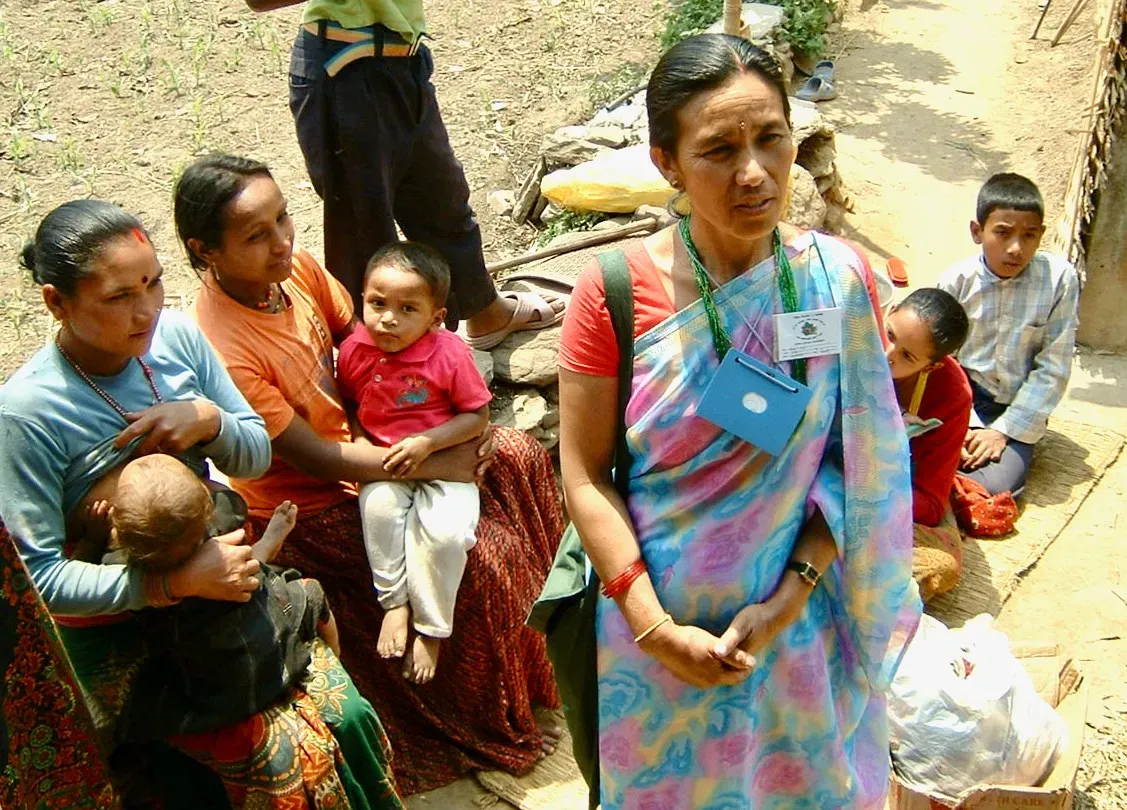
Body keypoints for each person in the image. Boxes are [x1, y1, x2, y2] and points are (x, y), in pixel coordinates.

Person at [558, 35, 920, 808]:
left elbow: (861, 468)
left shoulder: (836, 280)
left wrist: (790, 595)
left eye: (770, 139)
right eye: (718, 149)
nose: (753, 173)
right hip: (656, 640)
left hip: (796, 633)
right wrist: (655, 629)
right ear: (666, 162)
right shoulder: (615, 293)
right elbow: (584, 475)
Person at [179, 152, 565, 794]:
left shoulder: (293, 271)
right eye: (256, 235)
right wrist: (441, 459)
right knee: (482, 561)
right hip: (315, 498)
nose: (282, 242)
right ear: (205, 251)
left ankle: (536, 667)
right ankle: (482, 716)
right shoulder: (223, 343)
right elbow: (319, 458)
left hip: (381, 441)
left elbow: (362, 338)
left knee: (521, 458)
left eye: (283, 219)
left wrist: (432, 409)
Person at [0, 200, 402, 809]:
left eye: (155, 282)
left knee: (345, 716)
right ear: (57, 302)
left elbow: (252, 459)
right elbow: (43, 582)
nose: (147, 310)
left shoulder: (178, 338)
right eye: (117, 297)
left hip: (217, 573)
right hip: (124, 617)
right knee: (281, 764)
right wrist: (171, 583)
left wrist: (208, 419)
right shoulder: (27, 416)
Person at [241, 0, 566, 347]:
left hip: (402, 58)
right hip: (344, 68)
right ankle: (381, 367)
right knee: (364, 231)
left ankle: (484, 312)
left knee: (441, 200)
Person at [79, 453, 343, 740]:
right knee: (308, 591)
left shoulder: (122, 569)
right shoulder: (226, 519)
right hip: (275, 653)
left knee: (143, 694)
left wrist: (92, 539)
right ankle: (333, 655)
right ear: (207, 508)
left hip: (207, 691)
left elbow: (82, 582)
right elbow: (228, 496)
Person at [339, 242, 491, 684]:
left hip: (443, 461)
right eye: (377, 304)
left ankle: (431, 627)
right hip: (385, 464)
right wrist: (361, 439)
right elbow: (349, 402)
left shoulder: (448, 354)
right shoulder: (354, 350)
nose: (388, 318)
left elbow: (476, 415)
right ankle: (395, 604)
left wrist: (427, 443)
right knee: (379, 512)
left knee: (445, 535)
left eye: (408, 309)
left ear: (435, 318)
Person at [938, 173, 1081, 497]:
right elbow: (943, 363)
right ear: (978, 231)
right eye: (1002, 233)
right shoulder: (957, 281)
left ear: (1041, 235)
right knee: (910, 453)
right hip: (961, 399)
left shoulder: (1060, 280)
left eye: (1029, 235)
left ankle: (947, 487)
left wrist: (1001, 432)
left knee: (995, 485)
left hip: (1017, 407)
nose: (1016, 249)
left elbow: (1053, 368)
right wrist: (967, 425)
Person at [885, 288, 973, 601]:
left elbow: (931, 504)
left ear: (931, 367)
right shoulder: (853, 338)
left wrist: (865, 492)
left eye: (906, 356)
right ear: (889, 311)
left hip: (889, 497)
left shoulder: (952, 393)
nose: (887, 354)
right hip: (821, 474)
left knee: (938, 568)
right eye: (889, 334)